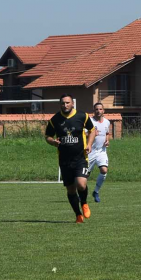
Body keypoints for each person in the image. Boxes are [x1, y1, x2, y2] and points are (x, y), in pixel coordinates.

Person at [44, 94, 96, 223]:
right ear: (60, 104)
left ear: (72, 103)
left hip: (81, 158)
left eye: (67, 103)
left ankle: (84, 202)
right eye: (63, 103)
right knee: (71, 189)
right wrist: (53, 142)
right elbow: (47, 136)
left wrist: (89, 144)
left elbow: (92, 130)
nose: (65, 105)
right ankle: (78, 215)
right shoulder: (55, 119)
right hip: (64, 160)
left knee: (81, 184)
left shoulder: (82, 116)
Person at [89, 103, 111, 203]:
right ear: (94, 111)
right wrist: (92, 134)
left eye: (100, 109)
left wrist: (107, 141)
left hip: (101, 151)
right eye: (96, 109)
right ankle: (81, 194)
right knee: (85, 176)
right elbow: (83, 133)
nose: (98, 111)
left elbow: (107, 133)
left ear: (103, 110)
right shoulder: (90, 121)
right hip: (90, 151)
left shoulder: (107, 122)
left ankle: (96, 192)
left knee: (104, 170)